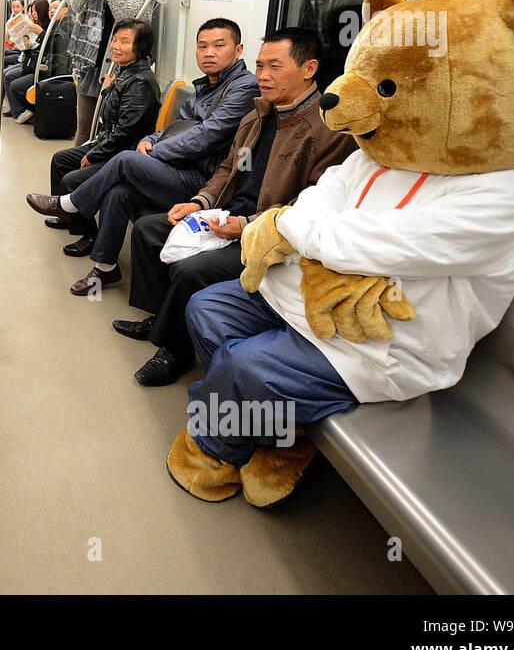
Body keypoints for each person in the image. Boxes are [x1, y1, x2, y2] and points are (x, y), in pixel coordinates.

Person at [116, 28, 357, 385]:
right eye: (260, 66)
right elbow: (229, 169)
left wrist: (246, 224)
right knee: (150, 229)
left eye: (275, 66)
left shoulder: (328, 133)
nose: (262, 75)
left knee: (192, 270)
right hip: (226, 213)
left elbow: (311, 202)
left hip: (268, 231)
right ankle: (162, 316)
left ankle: (174, 351)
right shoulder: (258, 116)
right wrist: (199, 201)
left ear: (309, 69)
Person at [25, 17, 259, 295]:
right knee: (119, 192)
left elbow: (208, 135)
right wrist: (150, 140)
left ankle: (71, 204)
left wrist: (155, 151)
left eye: (219, 46)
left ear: (238, 49)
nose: (209, 52)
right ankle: (105, 268)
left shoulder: (244, 87)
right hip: (180, 167)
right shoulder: (206, 86)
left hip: (204, 181)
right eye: (203, 46)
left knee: (125, 159)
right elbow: (176, 127)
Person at [27, 18, 160, 246]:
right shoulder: (124, 72)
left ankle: (88, 235)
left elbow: (126, 132)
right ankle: (66, 215)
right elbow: (112, 116)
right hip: (109, 142)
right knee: (60, 159)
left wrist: (95, 154)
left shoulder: (139, 82)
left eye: (125, 42)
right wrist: (109, 91)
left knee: (71, 179)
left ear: (141, 47)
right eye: (115, 40)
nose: (116, 46)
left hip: (123, 151)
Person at [63, 0, 167, 145]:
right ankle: (77, 174)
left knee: (111, 133)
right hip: (94, 59)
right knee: (84, 129)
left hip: (123, 65)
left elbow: (128, 17)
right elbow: (76, 3)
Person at [9, 0, 68, 124]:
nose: (52, 11)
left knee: (15, 84)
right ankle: (20, 110)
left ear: (65, 10)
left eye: (55, 8)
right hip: (43, 65)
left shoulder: (66, 26)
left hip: (52, 71)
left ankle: (32, 110)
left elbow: (57, 47)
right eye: (50, 8)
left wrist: (41, 33)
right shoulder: (54, 25)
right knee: (8, 75)